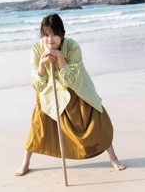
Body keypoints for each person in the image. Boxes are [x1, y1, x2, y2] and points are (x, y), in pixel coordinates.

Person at [15, 13, 126, 176]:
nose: (50, 39)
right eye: (46, 35)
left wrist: (60, 58)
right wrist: (42, 65)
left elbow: (72, 79)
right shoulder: (37, 49)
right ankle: (25, 162)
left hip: (76, 88)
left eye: (54, 34)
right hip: (49, 90)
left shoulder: (72, 47)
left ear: (62, 34)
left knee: (96, 121)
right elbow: (38, 85)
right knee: (38, 125)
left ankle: (113, 158)